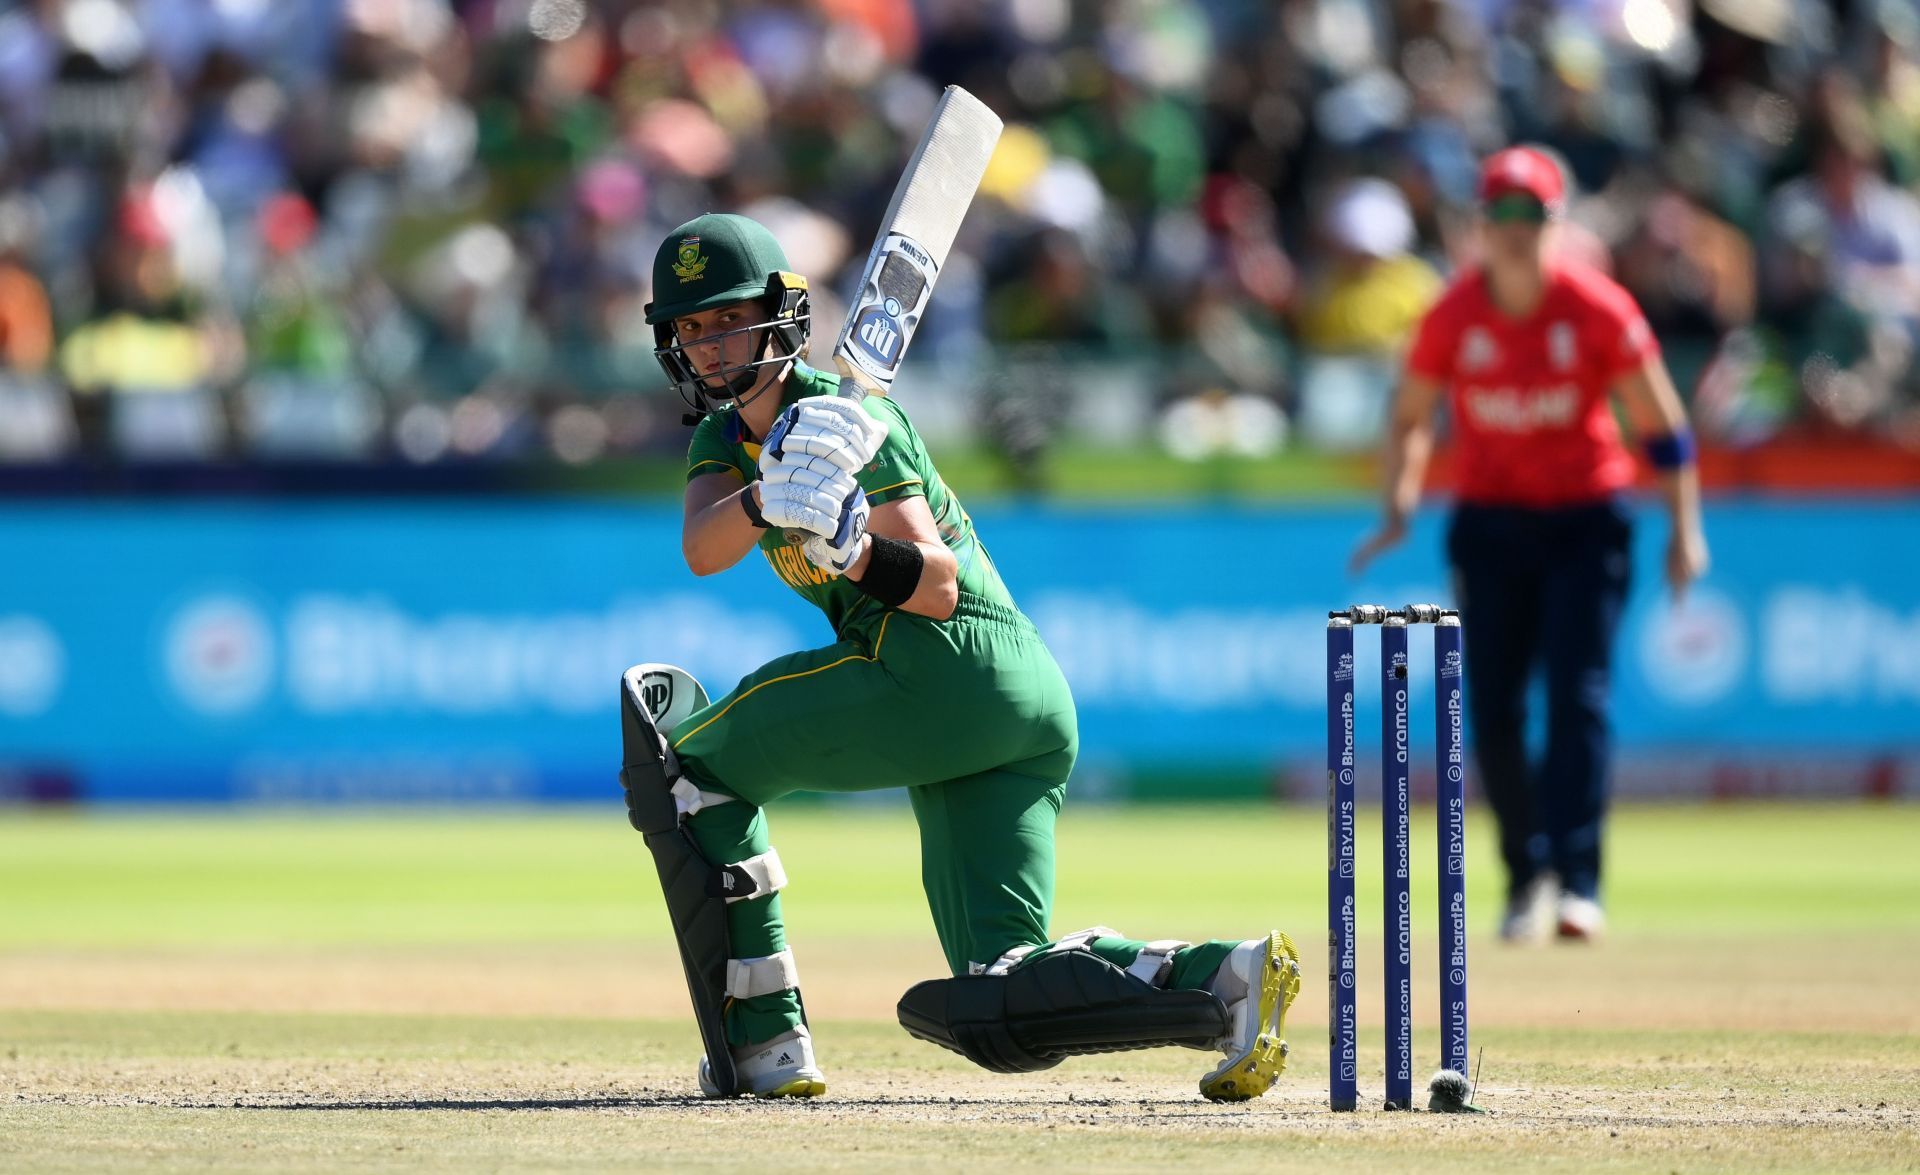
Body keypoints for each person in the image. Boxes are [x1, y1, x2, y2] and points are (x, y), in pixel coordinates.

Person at [618, 212, 1301, 1100]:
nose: (710, 345)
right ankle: (1228, 976)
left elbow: (935, 588)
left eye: (728, 318)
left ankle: (764, 1041)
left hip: (941, 665)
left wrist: (853, 548)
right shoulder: (722, 443)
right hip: (1010, 711)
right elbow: (703, 550)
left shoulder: (866, 424)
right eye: (693, 327)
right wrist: (767, 496)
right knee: (1003, 987)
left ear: (783, 313)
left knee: (689, 764)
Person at [1351, 148, 1710, 944]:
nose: (1515, 235)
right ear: (1481, 226)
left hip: (1587, 519)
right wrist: (1399, 505)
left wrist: (1686, 527)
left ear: (1556, 224)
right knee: (1496, 707)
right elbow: (1410, 417)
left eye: (1531, 217)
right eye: (1501, 217)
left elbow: (1663, 425)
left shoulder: (1597, 307)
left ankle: (1580, 882)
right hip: (1492, 523)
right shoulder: (1452, 315)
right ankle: (1525, 876)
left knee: (1578, 696)